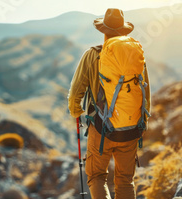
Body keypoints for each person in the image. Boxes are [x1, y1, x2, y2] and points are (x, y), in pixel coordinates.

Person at [67, 8, 151, 199]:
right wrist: (143, 122)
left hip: (101, 129)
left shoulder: (92, 55)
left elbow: (75, 93)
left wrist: (75, 112)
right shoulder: (137, 56)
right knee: (125, 180)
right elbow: (146, 92)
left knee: (97, 176)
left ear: (103, 31)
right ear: (124, 31)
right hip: (131, 128)